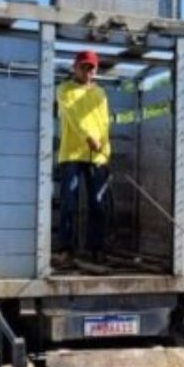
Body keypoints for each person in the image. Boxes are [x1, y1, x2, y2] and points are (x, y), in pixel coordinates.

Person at [56, 50, 111, 266]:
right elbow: (72, 116)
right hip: (71, 154)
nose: (88, 72)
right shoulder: (64, 90)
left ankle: (96, 248)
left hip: (97, 156)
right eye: (84, 67)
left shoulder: (100, 93)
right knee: (68, 203)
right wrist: (88, 137)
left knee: (97, 204)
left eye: (92, 68)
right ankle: (65, 249)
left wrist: (105, 152)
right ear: (75, 67)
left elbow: (105, 123)